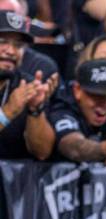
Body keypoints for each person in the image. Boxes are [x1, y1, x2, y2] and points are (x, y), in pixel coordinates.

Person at [0, 10, 59, 160]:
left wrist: (36, 110)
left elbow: (42, 152)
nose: (11, 51)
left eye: (18, 45)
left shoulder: (26, 86)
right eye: (2, 42)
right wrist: (7, 113)